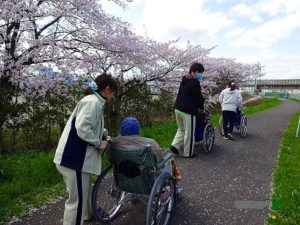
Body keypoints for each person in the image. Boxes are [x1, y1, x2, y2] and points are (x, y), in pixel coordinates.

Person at [53, 72, 118, 225]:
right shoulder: (93, 102)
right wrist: (98, 143)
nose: (113, 96)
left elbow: (91, 125)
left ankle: (88, 214)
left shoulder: (94, 101)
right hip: (74, 159)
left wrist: (103, 135)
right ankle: (79, 217)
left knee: (84, 192)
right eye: (113, 93)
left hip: (75, 159)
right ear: (108, 89)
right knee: (76, 203)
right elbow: (83, 128)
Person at [113, 117, 181, 180]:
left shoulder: (115, 144)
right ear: (138, 129)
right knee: (170, 160)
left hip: (124, 178)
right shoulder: (150, 143)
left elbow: (110, 158)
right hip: (146, 179)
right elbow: (160, 160)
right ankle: (172, 187)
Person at [170, 62, 205, 158]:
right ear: (193, 72)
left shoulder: (184, 79)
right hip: (188, 110)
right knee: (189, 132)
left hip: (178, 108)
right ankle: (188, 153)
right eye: (200, 72)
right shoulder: (195, 83)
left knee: (181, 129)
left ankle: (175, 145)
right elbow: (198, 98)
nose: (201, 75)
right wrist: (201, 107)